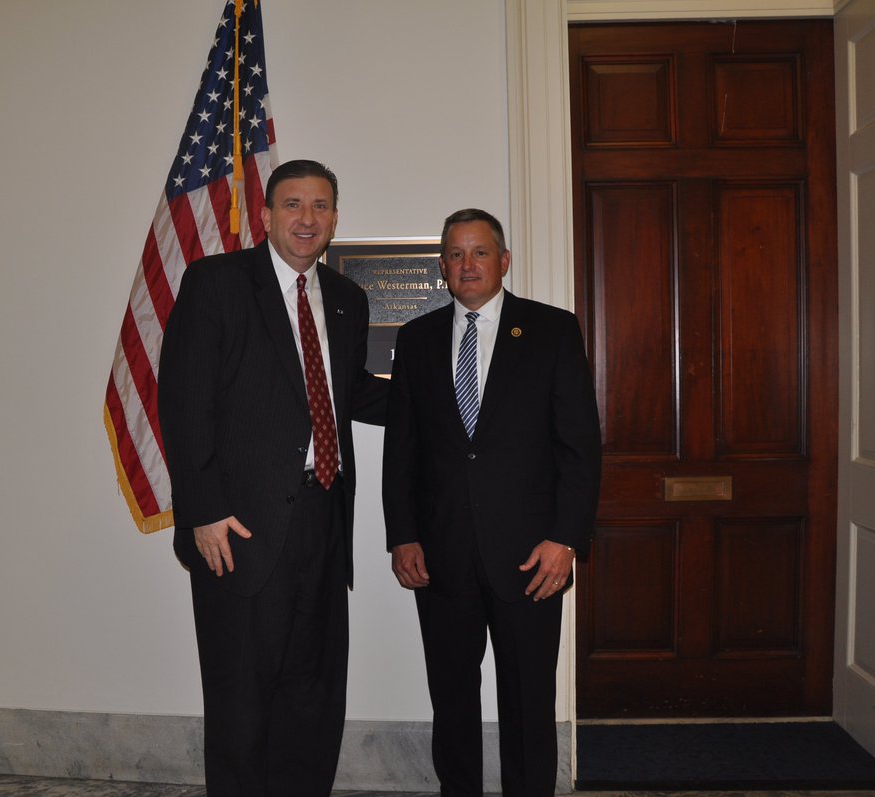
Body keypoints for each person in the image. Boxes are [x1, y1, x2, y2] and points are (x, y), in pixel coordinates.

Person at [157, 159, 387, 797]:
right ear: (265, 215)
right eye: (293, 204)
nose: (307, 219)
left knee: (313, 694)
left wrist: (448, 395)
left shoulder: (346, 299)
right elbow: (184, 401)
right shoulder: (216, 283)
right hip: (239, 526)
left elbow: (350, 392)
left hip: (324, 517)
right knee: (241, 699)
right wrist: (202, 510)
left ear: (335, 219)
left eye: (320, 206)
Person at [382, 208, 602, 797]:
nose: (468, 264)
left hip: (532, 558)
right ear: (442, 267)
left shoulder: (553, 331)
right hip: (441, 556)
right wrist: (402, 535)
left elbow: (579, 448)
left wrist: (566, 539)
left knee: (528, 700)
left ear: (504, 261)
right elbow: (401, 452)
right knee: (451, 697)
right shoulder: (417, 340)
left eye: (480, 252)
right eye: (456, 254)